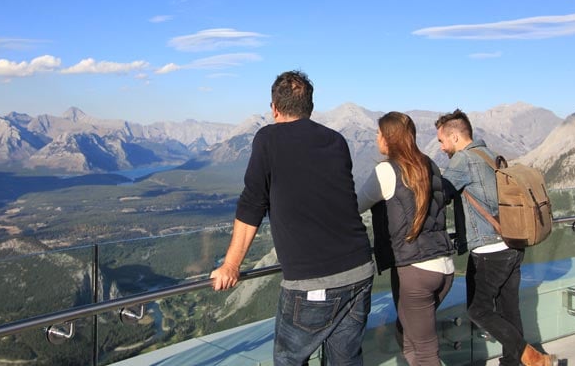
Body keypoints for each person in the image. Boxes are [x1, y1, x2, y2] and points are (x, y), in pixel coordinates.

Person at [210, 70, 375, 366]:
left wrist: (231, 265)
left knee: (289, 360)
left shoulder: (267, 139)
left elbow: (252, 204)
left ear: (274, 108)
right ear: (310, 108)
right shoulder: (336, 140)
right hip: (360, 270)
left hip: (312, 282)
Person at [434, 109, 557, 366]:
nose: (442, 147)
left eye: (442, 141)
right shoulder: (489, 155)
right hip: (513, 245)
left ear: (455, 137)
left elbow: (440, 194)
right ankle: (515, 362)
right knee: (509, 310)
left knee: (478, 310)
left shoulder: (463, 160)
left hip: (488, 250)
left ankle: (533, 358)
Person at [356, 111, 454, 366]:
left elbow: (355, 205)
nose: (376, 139)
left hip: (415, 271)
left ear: (388, 138)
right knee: (409, 339)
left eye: (378, 134)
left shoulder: (387, 171)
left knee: (424, 353)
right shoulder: (428, 163)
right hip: (443, 266)